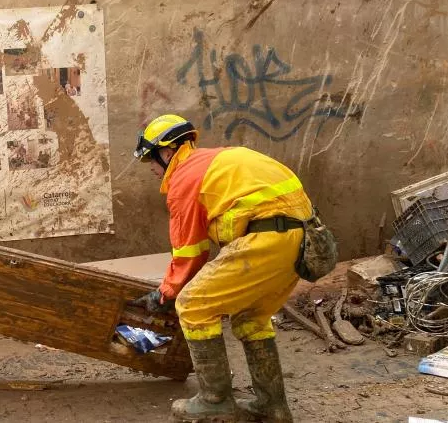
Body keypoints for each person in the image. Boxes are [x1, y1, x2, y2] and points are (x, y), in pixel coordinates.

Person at [131, 114, 313, 423]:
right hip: (303, 242)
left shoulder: (186, 176)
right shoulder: (216, 162)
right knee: (251, 317)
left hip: (266, 239)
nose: (150, 166)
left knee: (194, 305)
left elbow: (191, 251)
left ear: (167, 152)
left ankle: (216, 401)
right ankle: (273, 406)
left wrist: (166, 293)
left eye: (150, 157)